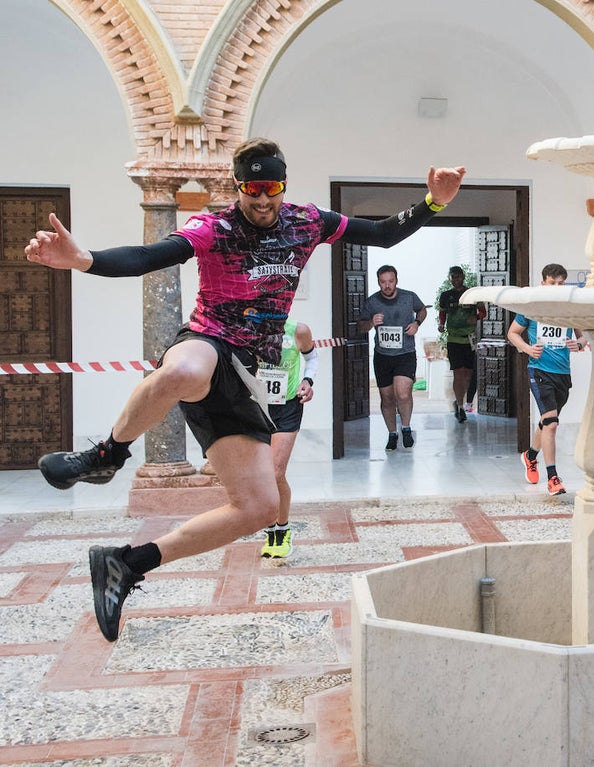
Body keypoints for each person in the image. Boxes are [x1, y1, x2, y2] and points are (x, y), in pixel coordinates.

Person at [25, 136, 464, 641]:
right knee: (184, 372)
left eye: (270, 187)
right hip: (208, 340)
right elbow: (150, 256)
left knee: (256, 509)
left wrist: (435, 202)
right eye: (251, 189)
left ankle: (127, 564)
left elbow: (384, 234)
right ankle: (108, 453)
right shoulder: (214, 227)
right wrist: (85, 261)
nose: (261, 199)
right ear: (238, 188)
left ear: (282, 185)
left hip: (247, 371)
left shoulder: (309, 221)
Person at [506, 263, 586, 496]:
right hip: (539, 371)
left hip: (562, 374)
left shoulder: (570, 310)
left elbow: (583, 337)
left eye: (561, 284)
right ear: (543, 283)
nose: (557, 287)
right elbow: (512, 333)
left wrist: (577, 345)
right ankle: (553, 478)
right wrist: (527, 349)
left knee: (547, 421)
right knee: (551, 423)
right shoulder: (532, 308)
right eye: (553, 283)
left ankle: (530, 456)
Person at [257, 317, 317, 558]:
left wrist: (307, 380)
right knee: (259, 476)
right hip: (256, 408)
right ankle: (270, 527)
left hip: (287, 408)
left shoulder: (298, 330)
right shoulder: (247, 329)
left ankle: (282, 529)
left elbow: (311, 357)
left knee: (275, 472)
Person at [357, 265, 426, 449]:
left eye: (390, 281)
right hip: (383, 356)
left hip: (405, 354)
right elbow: (361, 326)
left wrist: (417, 324)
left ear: (397, 280)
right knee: (386, 397)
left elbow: (422, 310)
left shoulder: (409, 297)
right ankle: (392, 433)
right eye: (383, 282)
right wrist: (371, 322)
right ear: (378, 282)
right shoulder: (372, 302)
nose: (387, 285)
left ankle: (406, 427)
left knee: (402, 393)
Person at [437, 265, 486, 422]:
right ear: (450, 278)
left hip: (469, 339)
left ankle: (461, 399)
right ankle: (459, 405)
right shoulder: (446, 295)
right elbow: (442, 312)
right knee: (458, 372)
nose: (455, 280)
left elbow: (483, 311)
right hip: (453, 339)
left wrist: (477, 318)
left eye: (458, 277)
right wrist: (441, 324)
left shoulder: (472, 294)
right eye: (453, 277)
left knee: (468, 374)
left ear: (463, 277)